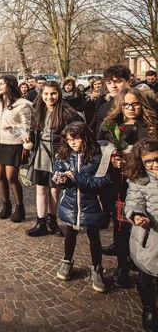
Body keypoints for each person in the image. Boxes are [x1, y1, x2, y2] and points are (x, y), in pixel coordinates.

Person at [99, 87, 158, 288]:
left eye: (135, 104)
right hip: (120, 183)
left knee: (146, 226)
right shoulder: (111, 126)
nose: (131, 108)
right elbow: (99, 149)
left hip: (146, 184)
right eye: (126, 104)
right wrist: (111, 160)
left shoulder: (151, 126)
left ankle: (144, 265)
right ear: (120, 106)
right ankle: (123, 265)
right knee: (121, 227)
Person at [54, 122, 111, 293]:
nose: (71, 142)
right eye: (68, 139)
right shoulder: (63, 155)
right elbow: (56, 174)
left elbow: (104, 181)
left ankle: (97, 267)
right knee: (70, 233)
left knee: (94, 237)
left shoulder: (98, 156)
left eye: (75, 138)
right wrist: (60, 180)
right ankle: (66, 261)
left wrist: (77, 178)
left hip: (92, 204)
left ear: (85, 137)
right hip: (71, 204)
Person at [24, 81, 83, 237]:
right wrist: (28, 139)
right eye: (46, 94)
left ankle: (52, 221)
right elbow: (31, 130)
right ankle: (40, 222)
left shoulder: (67, 112)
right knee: (41, 189)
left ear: (59, 94)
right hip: (41, 154)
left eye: (53, 93)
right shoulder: (37, 110)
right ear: (41, 94)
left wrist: (67, 151)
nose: (49, 97)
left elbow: (77, 131)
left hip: (59, 156)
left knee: (55, 191)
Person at [0, 75, 32, 222]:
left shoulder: (22, 104)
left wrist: (13, 127)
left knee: (11, 177)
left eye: (2, 83)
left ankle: (20, 206)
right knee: (0, 177)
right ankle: (6, 204)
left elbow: (27, 127)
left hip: (13, 143)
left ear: (10, 85)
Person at [124, 138, 158, 332]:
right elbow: (133, 202)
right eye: (149, 162)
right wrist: (137, 216)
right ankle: (148, 308)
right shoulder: (139, 181)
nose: (155, 165)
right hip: (148, 238)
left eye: (157, 159)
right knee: (145, 278)